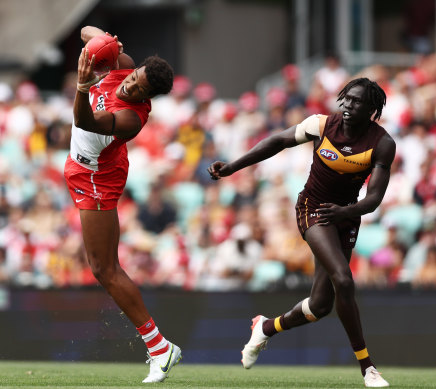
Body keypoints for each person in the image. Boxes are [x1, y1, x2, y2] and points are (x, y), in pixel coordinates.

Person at [208, 78, 395, 388]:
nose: (348, 106)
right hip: (313, 210)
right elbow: (278, 141)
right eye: (346, 99)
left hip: (345, 216)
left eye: (358, 102)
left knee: (320, 305)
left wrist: (346, 212)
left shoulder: (382, 143)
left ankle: (266, 327)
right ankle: (368, 368)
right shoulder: (320, 125)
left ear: (373, 110)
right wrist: (233, 167)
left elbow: (373, 199)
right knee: (344, 279)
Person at [63, 26, 181, 383]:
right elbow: (86, 31)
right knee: (103, 266)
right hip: (86, 164)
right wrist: (107, 42)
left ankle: (160, 348)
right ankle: (160, 347)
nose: (131, 85)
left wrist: (83, 86)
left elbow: (82, 119)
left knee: (104, 269)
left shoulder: (131, 118)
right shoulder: (123, 64)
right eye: (134, 77)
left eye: (141, 89)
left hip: (97, 177)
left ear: (149, 97)